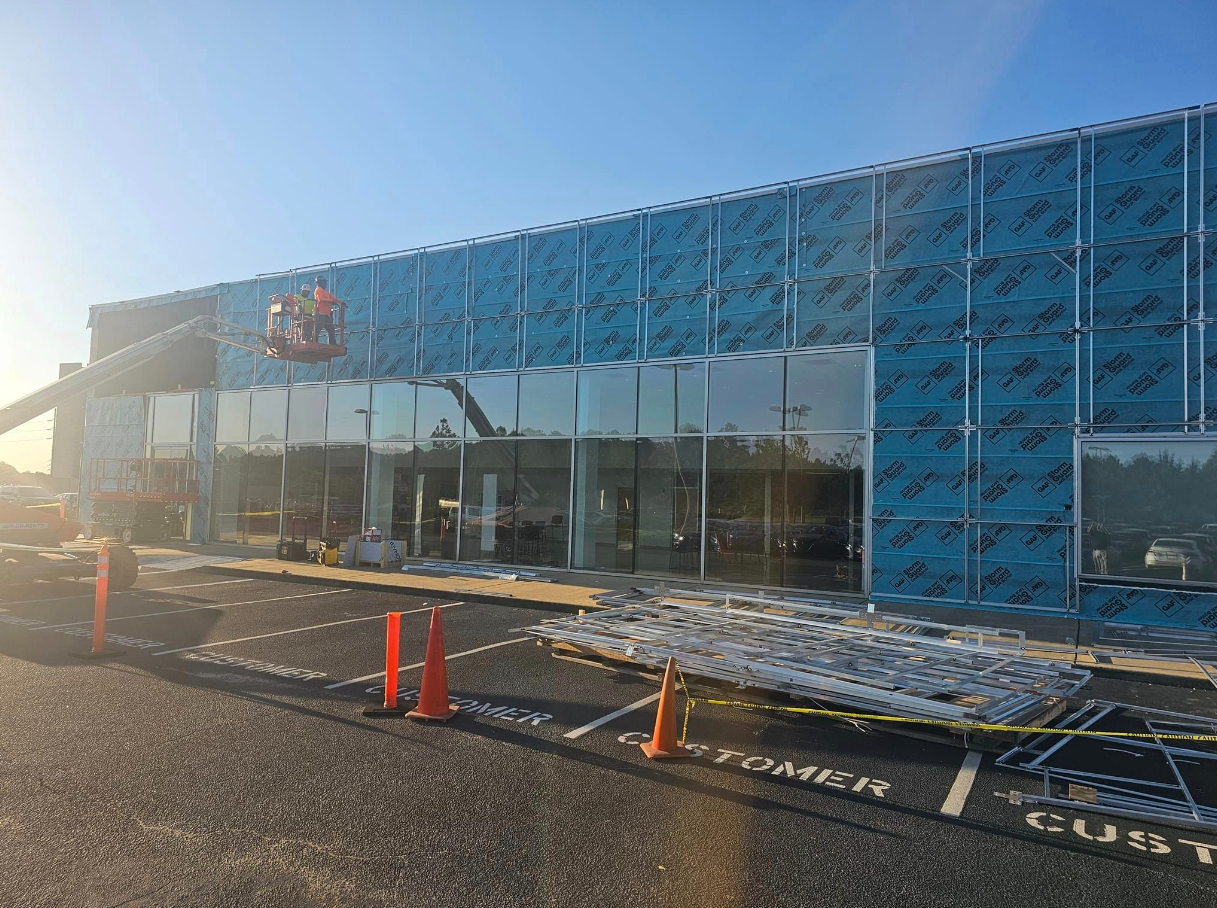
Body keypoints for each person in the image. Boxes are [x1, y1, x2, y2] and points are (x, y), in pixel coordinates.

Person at [312, 275, 343, 345]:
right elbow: (320, 299)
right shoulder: (318, 290)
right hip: (320, 314)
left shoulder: (324, 291)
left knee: (331, 330)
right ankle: (314, 342)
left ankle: (332, 343)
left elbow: (333, 297)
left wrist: (341, 302)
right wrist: (331, 301)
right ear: (319, 283)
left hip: (326, 315)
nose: (325, 284)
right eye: (324, 282)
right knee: (317, 330)